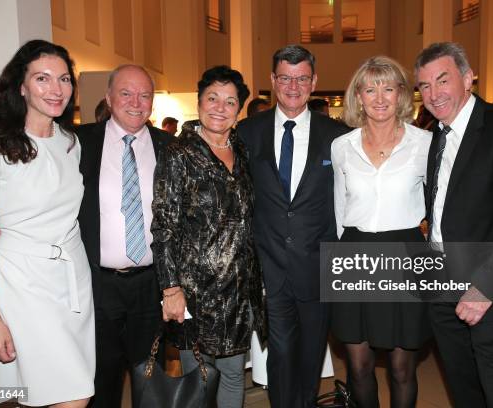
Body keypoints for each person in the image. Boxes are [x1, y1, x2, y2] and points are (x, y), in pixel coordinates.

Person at [0, 39, 94, 407]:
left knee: (34, 394)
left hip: (72, 283)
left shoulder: (70, 142)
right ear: (21, 85)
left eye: (64, 79)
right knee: (73, 395)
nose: (56, 89)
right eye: (43, 79)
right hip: (20, 283)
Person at [415, 42, 493, 408]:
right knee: (464, 390)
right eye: (424, 86)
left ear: (468, 78)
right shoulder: (437, 136)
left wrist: (484, 289)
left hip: (490, 288)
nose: (433, 93)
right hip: (441, 283)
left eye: (443, 80)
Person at [237, 44, 349, 408]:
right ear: (272, 81)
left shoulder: (337, 136)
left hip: (318, 266)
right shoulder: (247, 133)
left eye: (302, 78)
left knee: (312, 354)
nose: (293, 86)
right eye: (285, 77)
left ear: (313, 82)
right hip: (268, 264)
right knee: (280, 354)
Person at [152, 65, 266, 407]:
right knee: (198, 379)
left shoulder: (242, 152)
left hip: (238, 291)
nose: (220, 107)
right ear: (199, 102)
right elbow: (164, 226)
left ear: (238, 109)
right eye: (212, 98)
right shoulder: (178, 154)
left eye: (230, 101)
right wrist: (170, 288)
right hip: (195, 293)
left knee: (233, 375)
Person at [331, 56, 431, 408]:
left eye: (388, 88)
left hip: (406, 256)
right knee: (358, 366)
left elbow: (441, 208)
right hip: (353, 253)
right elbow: (338, 209)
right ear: (357, 96)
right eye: (370, 88)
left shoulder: (426, 144)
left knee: (403, 368)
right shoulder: (342, 147)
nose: (379, 97)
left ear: (402, 94)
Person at [76, 65, 174, 408]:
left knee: (150, 379)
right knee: (101, 380)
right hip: (98, 286)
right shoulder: (79, 143)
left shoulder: (169, 148)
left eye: (145, 95)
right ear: (108, 98)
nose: (136, 102)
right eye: (126, 93)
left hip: (151, 285)